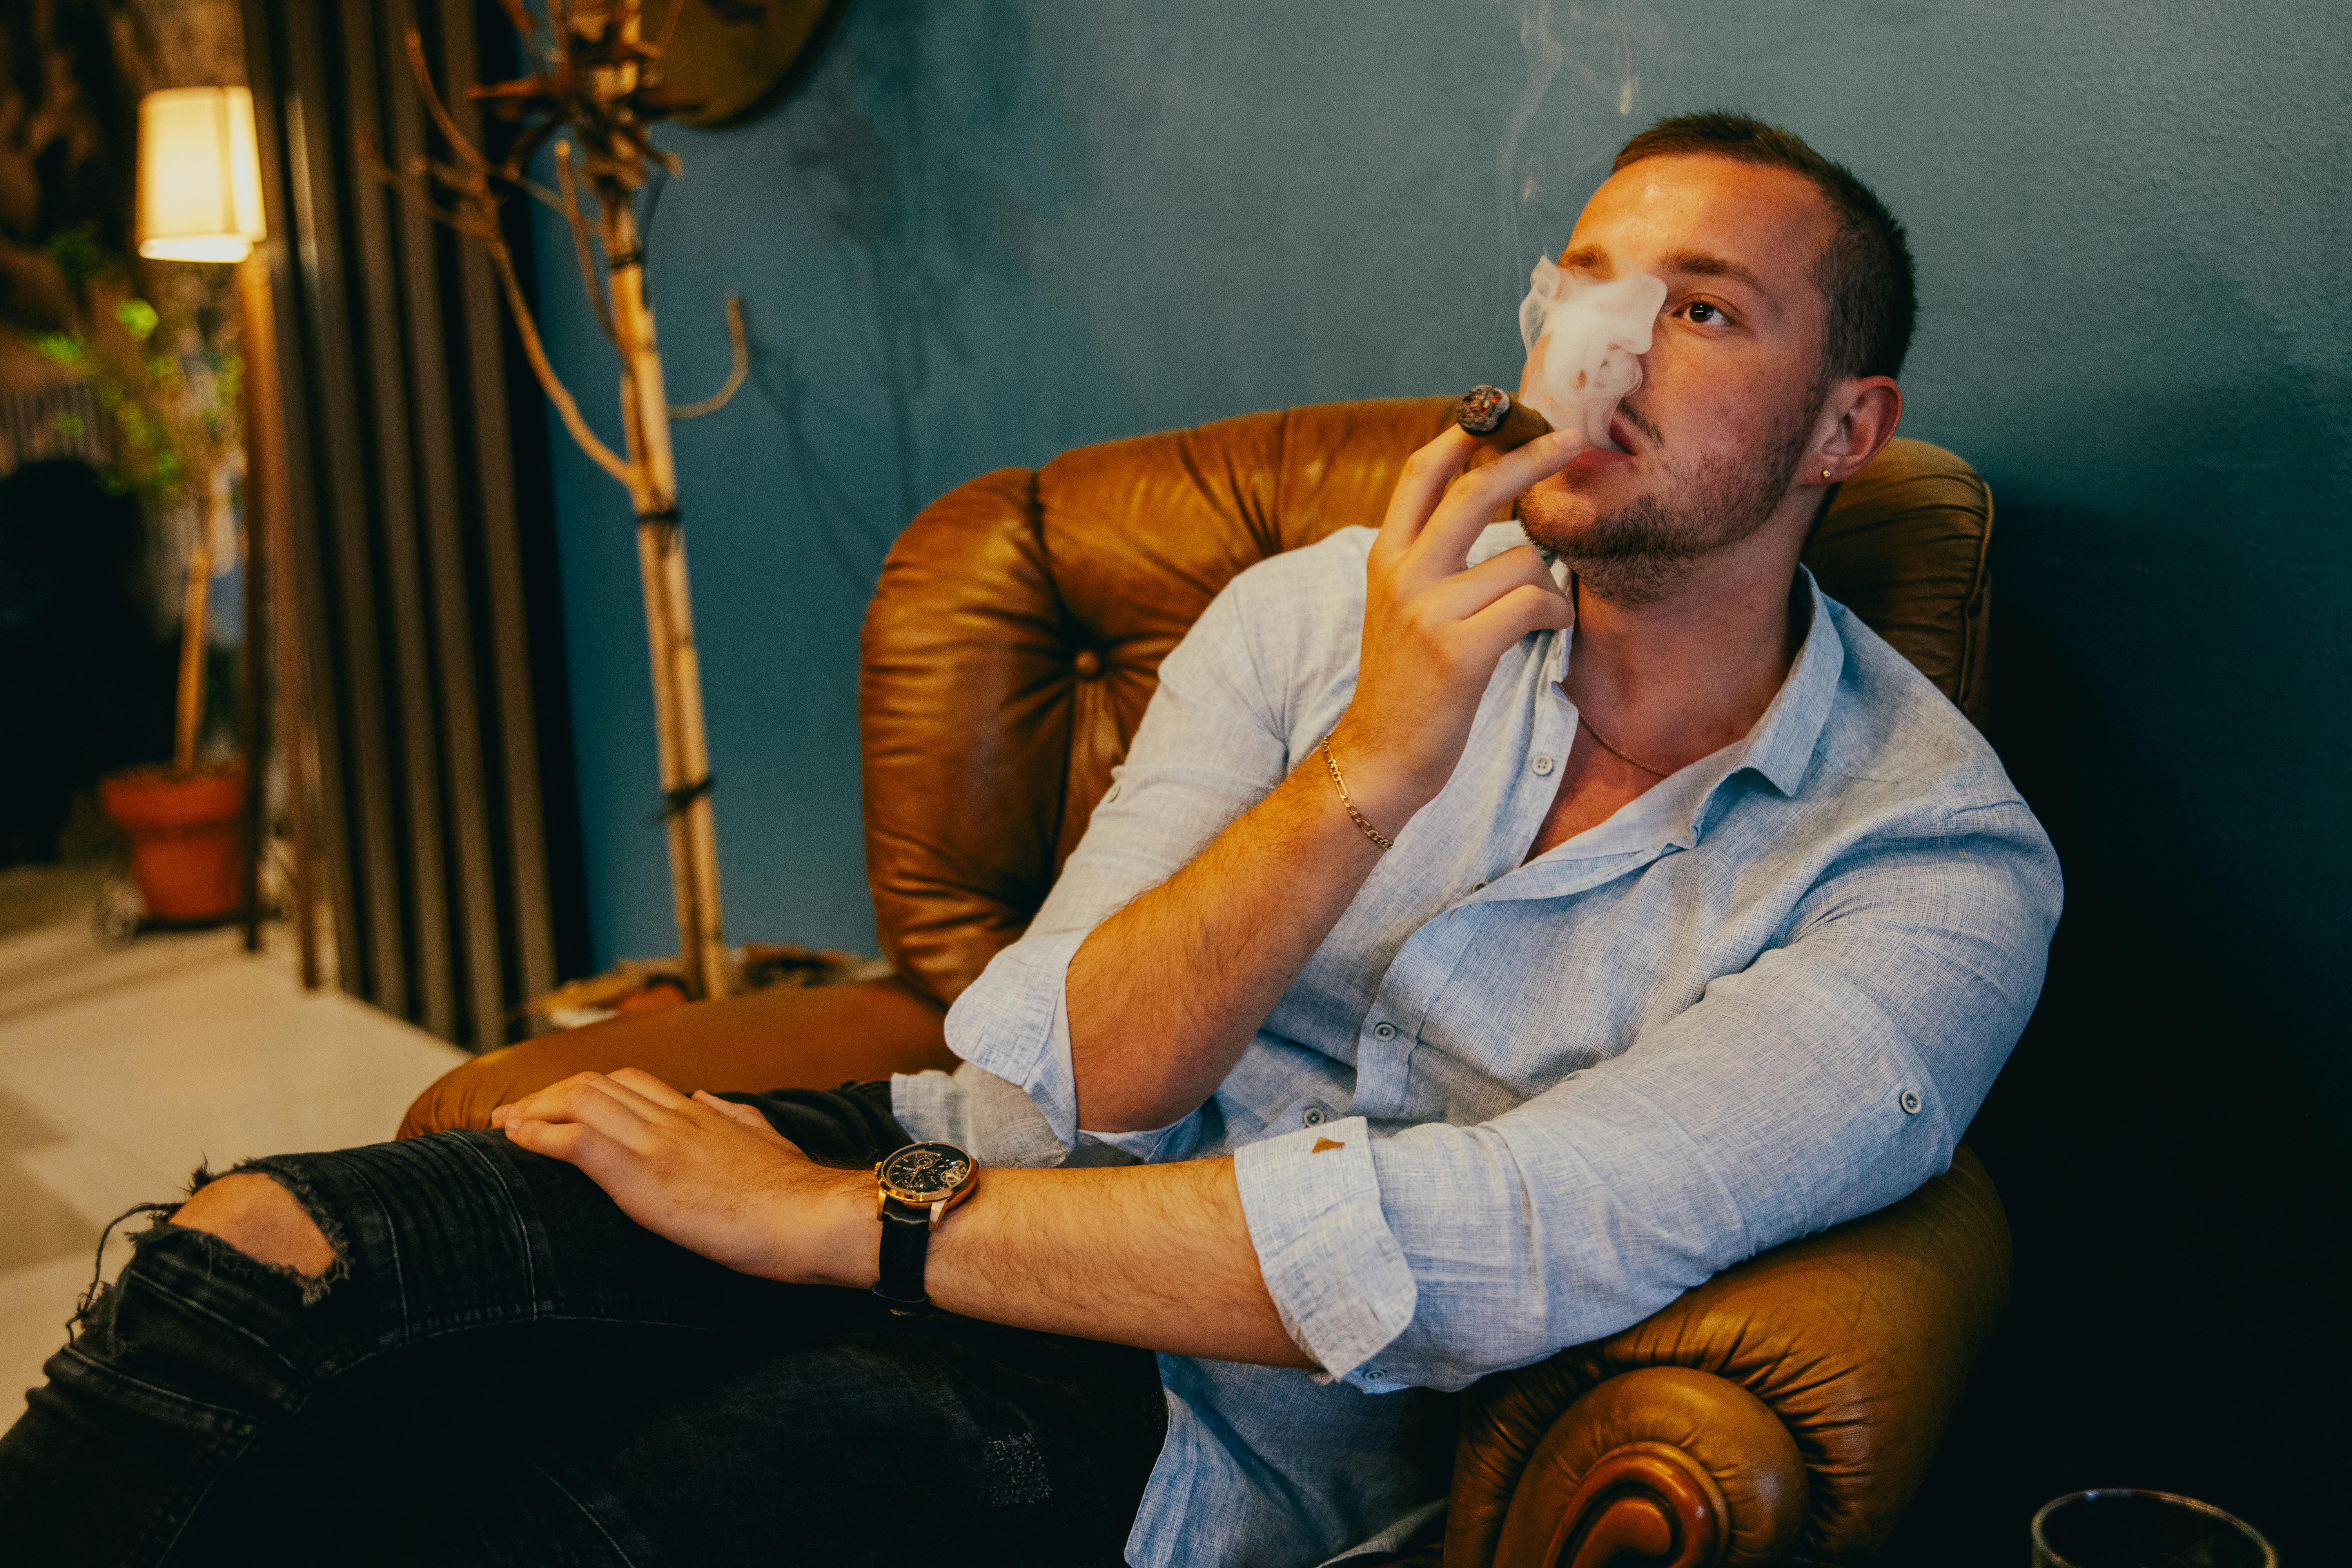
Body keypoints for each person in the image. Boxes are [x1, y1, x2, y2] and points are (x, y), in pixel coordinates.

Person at [0, 112, 2060, 1567]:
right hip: (961, 1156)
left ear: (1847, 427)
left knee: (549, 1524)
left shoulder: (1931, 871)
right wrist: (1369, 764)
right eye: (1587, 282)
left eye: (1703, 313)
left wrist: (846, 1228)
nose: (1603, 351)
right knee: (246, 1253)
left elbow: (1503, 1239)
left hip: (1192, 1405)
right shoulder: (1315, 618)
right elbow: (1077, 1067)